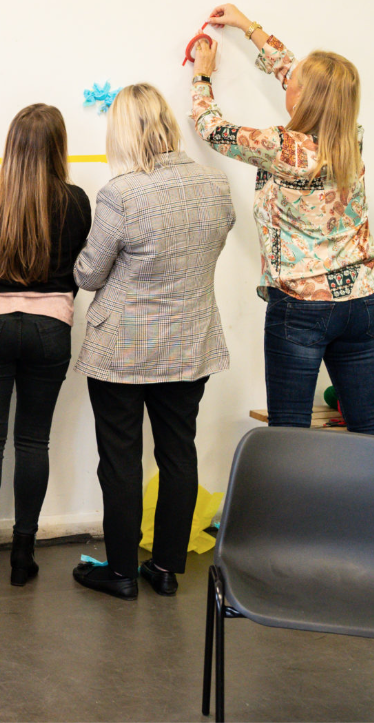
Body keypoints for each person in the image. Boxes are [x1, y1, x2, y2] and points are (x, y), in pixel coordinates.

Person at [189, 3, 374, 439]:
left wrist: (201, 76)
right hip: (361, 300)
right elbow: (302, 76)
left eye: (293, 83)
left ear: (301, 96)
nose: (288, 80)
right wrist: (248, 27)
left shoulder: (283, 147)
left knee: (289, 432)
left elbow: (212, 128)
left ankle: (290, 511)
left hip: (302, 307)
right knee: (367, 421)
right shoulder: (349, 138)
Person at [70, 84, 234, 601]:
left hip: (123, 348)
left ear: (124, 131)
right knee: (178, 453)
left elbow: (89, 274)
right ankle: (164, 568)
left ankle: (120, 572)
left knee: (120, 460)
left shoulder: (122, 193)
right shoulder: (215, 184)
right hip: (190, 341)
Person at [0, 105, 92, 586]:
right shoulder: (76, 201)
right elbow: (80, 260)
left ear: (12, 143)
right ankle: (23, 556)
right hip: (49, 327)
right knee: (34, 440)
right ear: (60, 147)